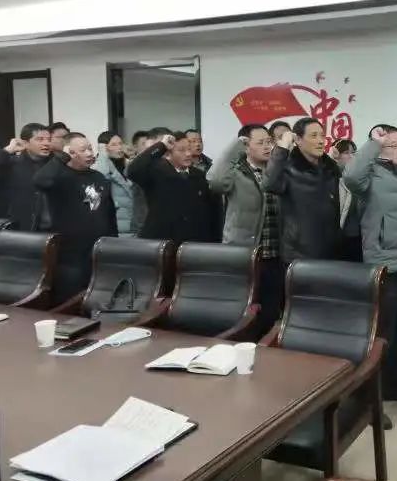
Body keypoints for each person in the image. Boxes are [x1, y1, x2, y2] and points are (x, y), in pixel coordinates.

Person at [344, 126, 397, 403]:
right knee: (384, 332)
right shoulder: (370, 176)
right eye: (393, 145)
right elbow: (351, 176)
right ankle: (373, 391)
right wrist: (373, 143)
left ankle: (391, 383)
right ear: (379, 152)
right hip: (385, 264)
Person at [207, 124, 284, 337]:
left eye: (269, 141)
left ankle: (265, 349)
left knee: (271, 310)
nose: (267, 147)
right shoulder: (236, 171)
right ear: (246, 146)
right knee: (244, 309)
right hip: (245, 252)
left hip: (275, 252)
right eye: (260, 143)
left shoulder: (276, 171)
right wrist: (235, 147)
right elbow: (215, 181)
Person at [34, 132, 117, 305]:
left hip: (98, 250)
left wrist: (113, 242)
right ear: (70, 153)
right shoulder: (60, 177)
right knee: (70, 301)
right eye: (83, 150)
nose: (89, 153)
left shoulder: (98, 177)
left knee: (97, 299)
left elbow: (109, 212)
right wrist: (61, 157)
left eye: (90, 148)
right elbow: (39, 181)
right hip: (70, 253)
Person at [264, 118, 341, 262]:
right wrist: (282, 148)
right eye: (313, 136)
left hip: (331, 250)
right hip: (299, 253)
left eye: (322, 136)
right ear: (298, 140)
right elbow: (269, 184)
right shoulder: (288, 168)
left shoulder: (330, 168)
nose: (320, 141)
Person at [128, 130, 218, 246]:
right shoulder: (156, 173)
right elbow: (133, 170)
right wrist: (161, 146)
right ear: (168, 154)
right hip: (161, 243)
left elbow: (213, 212)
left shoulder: (200, 176)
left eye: (189, 149)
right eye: (181, 150)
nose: (188, 154)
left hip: (193, 245)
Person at [0, 123, 52, 231]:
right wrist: (7, 150)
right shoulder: (11, 163)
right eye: (40, 139)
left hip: (49, 229)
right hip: (18, 228)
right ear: (26, 143)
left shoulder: (52, 165)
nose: (46, 143)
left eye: (49, 139)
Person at [94, 131, 139, 237]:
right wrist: (102, 154)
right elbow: (100, 176)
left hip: (134, 224)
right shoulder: (100, 166)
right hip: (117, 227)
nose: (119, 147)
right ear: (104, 148)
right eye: (113, 144)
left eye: (120, 143)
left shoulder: (128, 165)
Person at [330, 139, 362, 262]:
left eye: (353, 152)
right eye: (347, 153)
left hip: (358, 237)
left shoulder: (359, 178)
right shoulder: (330, 177)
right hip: (339, 237)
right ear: (336, 155)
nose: (351, 156)